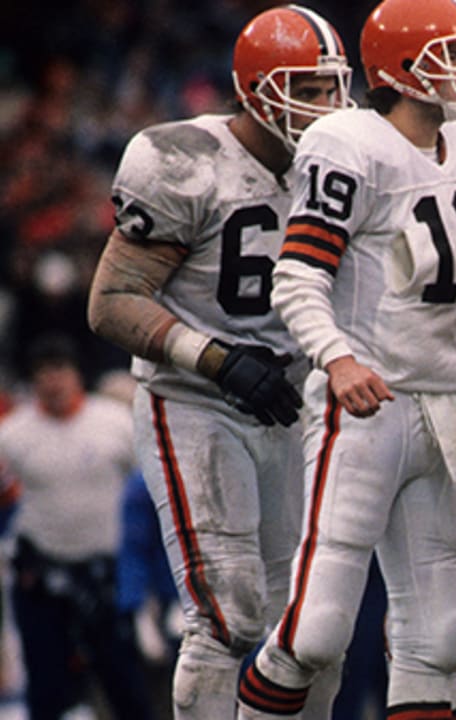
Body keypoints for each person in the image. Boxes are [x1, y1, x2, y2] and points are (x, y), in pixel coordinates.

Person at [235, 0, 456, 716]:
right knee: (317, 629)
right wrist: (338, 358)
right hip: (368, 406)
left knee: (444, 639)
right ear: (408, 69)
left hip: (447, 407)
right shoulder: (350, 142)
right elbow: (297, 273)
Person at [85, 6, 352, 718]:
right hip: (198, 400)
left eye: (333, 87)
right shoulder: (184, 162)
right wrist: (217, 359)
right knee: (229, 609)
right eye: (311, 88)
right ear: (258, 90)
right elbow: (112, 301)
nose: (328, 106)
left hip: (296, 402)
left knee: (311, 619)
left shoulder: (343, 160)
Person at [0, 335, 154, 720]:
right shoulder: (12, 434)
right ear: (33, 381)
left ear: (76, 375)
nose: (53, 382)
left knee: (126, 687)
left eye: (60, 371)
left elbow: (147, 494)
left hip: (109, 575)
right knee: (46, 691)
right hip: (43, 575)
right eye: (43, 374)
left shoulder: (116, 422)